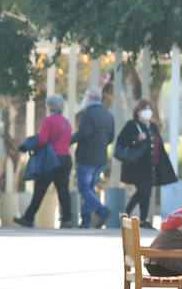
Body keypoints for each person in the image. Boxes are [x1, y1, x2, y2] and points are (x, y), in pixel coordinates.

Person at [115, 99, 178, 228]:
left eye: (149, 109)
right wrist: (135, 139)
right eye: (144, 109)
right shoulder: (132, 125)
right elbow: (122, 141)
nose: (147, 112)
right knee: (143, 190)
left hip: (152, 166)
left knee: (147, 192)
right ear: (138, 112)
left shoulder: (153, 126)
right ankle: (126, 211)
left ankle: (143, 219)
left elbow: (158, 144)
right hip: (137, 166)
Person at [14, 94, 74, 229]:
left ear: (51, 106)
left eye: (47, 105)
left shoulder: (48, 121)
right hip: (65, 159)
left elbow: (42, 140)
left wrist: (32, 146)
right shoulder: (66, 122)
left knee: (40, 190)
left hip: (50, 160)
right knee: (63, 190)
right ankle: (67, 220)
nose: (46, 107)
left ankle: (28, 218)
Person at [71, 86, 115, 228]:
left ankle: (102, 211)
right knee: (90, 189)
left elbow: (84, 134)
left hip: (87, 158)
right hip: (101, 158)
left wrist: (70, 139)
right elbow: (110, 137)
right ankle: (85, 221)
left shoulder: (88, 113)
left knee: (84, 188)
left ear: (89, 98)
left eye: (85, 96)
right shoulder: (108, 114)